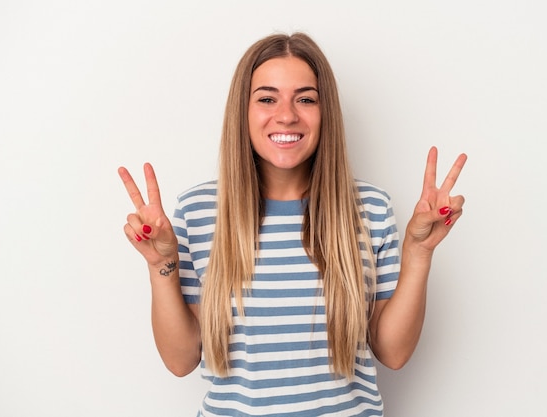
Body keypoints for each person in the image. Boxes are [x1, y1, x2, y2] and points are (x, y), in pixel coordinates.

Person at [118, 32, 466, 417]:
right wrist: (160, 268)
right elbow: (180, 361)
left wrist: (419, 253)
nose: (287, 115)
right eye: (267, 98)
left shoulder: (370, 209)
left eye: (305, 99)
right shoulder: (198, 212)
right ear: (243, 112)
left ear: (325, 112)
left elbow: (394, 353)